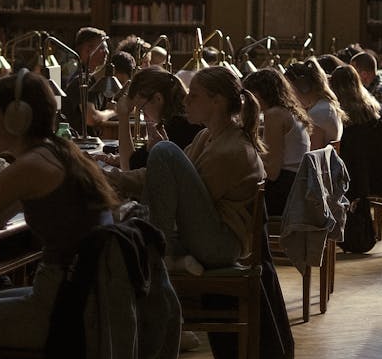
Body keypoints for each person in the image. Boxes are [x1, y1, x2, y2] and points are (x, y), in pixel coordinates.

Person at [0, 71, 120, 348]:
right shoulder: (57, 151)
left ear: (17, 118)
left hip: (61, 307)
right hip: (81, 296)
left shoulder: (31, 165)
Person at [116, 65, 265, 272]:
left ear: (217, 101)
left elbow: (179, 199)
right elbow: (165, 181)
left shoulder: (231, 150)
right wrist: (113, 179)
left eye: (194, 96)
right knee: (126, 237)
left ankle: (160, 256)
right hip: (207, 236)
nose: (185, 101)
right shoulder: (206, 136)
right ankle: (168, 259)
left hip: (220, 245)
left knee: (164, 150)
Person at [242, 67, 312, 216]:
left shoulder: (274, 114)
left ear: (261, 93)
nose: (248, 101)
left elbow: (273, 171)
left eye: (250, 95)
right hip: (298, 185)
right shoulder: (291, 111)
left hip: (284, 190)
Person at [115, 64, 200, 170]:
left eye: (142, 109)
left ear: (158, 98)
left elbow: (128, 168)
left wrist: (123, 116)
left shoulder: (178, 127)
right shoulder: (182, 121)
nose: (145, 117)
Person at [63, 26, 117, 136]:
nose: (106, 52)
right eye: (102, 48)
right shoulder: (81, 81)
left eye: (106, 48)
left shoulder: (94, 80)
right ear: (87, 50)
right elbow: (91, 118)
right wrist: (113, 111)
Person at [284, 57, 344, 149]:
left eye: (290, 90)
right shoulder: (323, 105)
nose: (289, 96)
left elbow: (312, 153)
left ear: (303, 87)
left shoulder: (320, 112)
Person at [345, 48, 382, 120]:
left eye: (353, 73)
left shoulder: (379, 91)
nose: (351, 76)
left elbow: (370, 118)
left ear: (364, 74)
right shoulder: (376, 80)